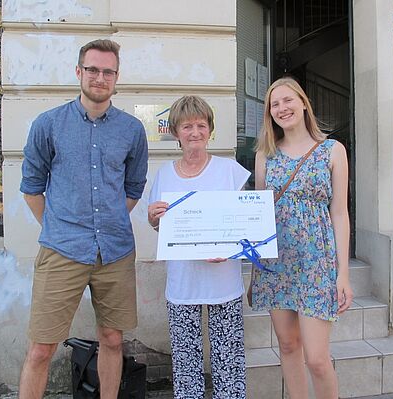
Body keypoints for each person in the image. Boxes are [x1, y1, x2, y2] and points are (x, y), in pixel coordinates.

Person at [18, 39, 148, 399]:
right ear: (79, 72)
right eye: (92, 69)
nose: (100, 77)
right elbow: (31, 188)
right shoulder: (48, 125)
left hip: (115, 253)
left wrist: (107, 224)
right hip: (62, 250)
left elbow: (133, 188)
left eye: (108, 71)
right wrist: (59, 227)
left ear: (116, 77)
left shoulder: (132, 130)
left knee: (112, 338)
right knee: (41, 348)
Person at [250, 77, 353, 399]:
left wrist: (343, 274)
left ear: (303, 103)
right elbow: (258, 214)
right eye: (274, 104)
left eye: (288, 100)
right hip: (276, 264)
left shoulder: (332, 151)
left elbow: (340, 213)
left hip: (317, 265)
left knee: (318, 360)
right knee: (288, 345)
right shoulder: (265, 154)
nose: (282, 108)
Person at [147, 95, 249, 399]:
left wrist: (230, 250)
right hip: (183, 284)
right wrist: (154, 219)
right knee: (185, 365)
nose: (195, 132)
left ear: (210, 130)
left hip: (224, 282)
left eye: (201, 125)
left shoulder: (229, 170)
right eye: (187, 126)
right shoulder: (164, 174)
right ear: (176, 132)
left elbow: (245, 223)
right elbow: (158, 226)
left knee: (228, 364)